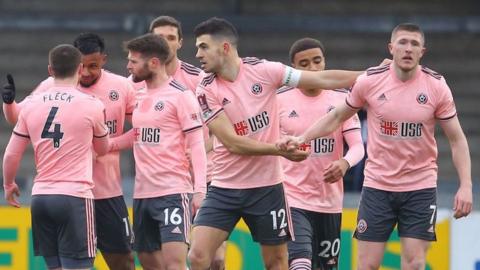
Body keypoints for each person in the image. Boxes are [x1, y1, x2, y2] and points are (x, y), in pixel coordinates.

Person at [277, 23, 473, 270]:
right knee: (367, 265)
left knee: (414, 262)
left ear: (422, 51)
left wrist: (465, 185)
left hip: (419, 186)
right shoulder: (370, 81)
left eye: (414, 44)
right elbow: (336, 116)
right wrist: (302, 138)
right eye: (402, 42)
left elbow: (456, 138)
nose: (408, 48)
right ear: (391, 48)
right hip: (377, 186)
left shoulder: (436, 86)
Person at [187, 17, 363, 270]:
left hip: (267, 189)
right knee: (198, 256)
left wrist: (368, 76)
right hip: (225, 187)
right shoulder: (205, 89)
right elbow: (232, 142)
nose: (198, 54)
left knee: (278, 263)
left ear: (224, 47)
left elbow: (321, 80)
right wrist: (278, 149)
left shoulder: (265, 71)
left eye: (203, 46)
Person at [2, 33, 137, 270]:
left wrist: (111, 145)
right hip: (76, 192)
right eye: (82, 66)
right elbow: (17, 117)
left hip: (105, 192)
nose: (86, 72)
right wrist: (9, 103)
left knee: (123, 262)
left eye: (93, 66)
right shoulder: (49, 88)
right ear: (76, 65)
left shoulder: (122, 86)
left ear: (104, 60)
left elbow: (141, 129)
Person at [277, 38, 364, 270]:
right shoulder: (278, 100)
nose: (312, 68)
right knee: (301, 259)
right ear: (294, 69)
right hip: (291, 197)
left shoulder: (341, 99)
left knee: (326, 266)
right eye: (304, 64)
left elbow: (358, 146)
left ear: (325, 62)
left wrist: (345, 163)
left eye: (317, 61)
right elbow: (269, 147)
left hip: (329, 202)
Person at [123, 33, 206, 269]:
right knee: (149, 263)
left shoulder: (180, 95)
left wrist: (199, 191)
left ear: (154, 63)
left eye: (133, 61)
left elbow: (197, 144)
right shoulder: (137, 94)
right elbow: (137, 134)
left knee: (174, 263)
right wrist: (108, 144)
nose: (128, 66)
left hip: (172, 191)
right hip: (141, 195)